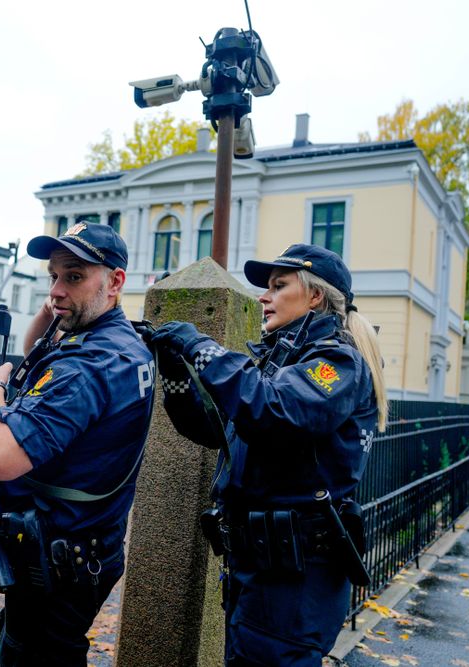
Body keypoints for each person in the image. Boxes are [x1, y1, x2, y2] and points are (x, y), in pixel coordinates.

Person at [149, 243, 388, 667]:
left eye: (279, 286)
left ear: (315, 296)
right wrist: (175, 371)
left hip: (291, 583)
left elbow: (273, 410)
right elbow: (212, 429)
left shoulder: (336, 361)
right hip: (260, 572)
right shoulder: (283, 362)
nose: (264, 297)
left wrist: (202, 347)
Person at [0, 222, 155, 666]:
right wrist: (61, 300)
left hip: (60, 557)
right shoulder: (114, 339)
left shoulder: (91, 365)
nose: (56, 290)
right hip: (79, 547)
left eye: (74, 276)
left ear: (115, 282)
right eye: (53, 276)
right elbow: (37, 349)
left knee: (34, 654)